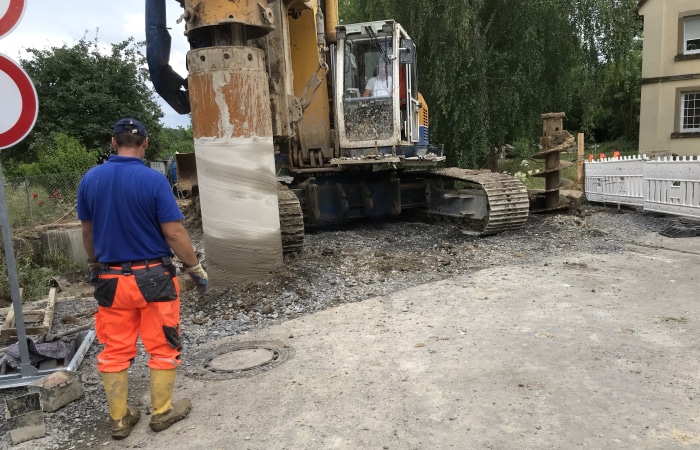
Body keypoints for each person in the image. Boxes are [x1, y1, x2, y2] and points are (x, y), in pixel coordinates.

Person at [77, 118, 209, 440]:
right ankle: (162, 413)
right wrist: (194, 269)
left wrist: (96, 266)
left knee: (115, 350)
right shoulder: (153, 181)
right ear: (145, 144)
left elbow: (87, 231)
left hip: (111, 281)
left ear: (113, 142)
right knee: (163, 345)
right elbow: (175, 233)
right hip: (154, 279)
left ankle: (119, 420)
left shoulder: (90, 180)